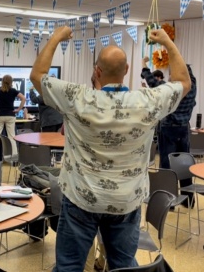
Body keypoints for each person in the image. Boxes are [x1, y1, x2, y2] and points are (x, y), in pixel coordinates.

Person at [29, 26, 190, 271]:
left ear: (97, 71)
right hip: (126, 201)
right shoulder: (147, 101)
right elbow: (182, 81)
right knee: (123, 265)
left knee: (70, 265)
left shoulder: (77, 98)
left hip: (81, 198)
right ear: (126, 71)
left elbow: (37, 75)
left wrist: (56, 38)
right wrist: (167, 41)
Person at [158, 64, 197, 207]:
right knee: (184, 164)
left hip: (169, 129)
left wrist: (144, 67)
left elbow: (155, 84)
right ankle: (188, 200)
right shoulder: (193, 86)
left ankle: (169, 202)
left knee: (167, 166)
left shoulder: (174, 89)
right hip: (184, 129)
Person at [0, 74, 25, 163]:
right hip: (10, 115)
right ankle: (14, 159)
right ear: (11, 82)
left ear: (2, 81)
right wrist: (18, 109)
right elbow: (23, 98)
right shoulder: (13, 90)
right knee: (12, 137)